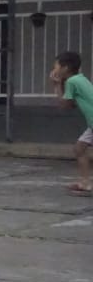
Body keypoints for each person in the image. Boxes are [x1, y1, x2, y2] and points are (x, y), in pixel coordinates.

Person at [50, 51, 93, 195]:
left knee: (79, 149)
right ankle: (85, 183)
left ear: (65, 68)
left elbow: (65, 106)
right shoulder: (80, 79)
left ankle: (86, 183)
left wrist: (56, 85)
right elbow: (74, 103)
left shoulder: (72, 81)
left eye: (56, 66)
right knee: (79, 149)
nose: (54, 69)